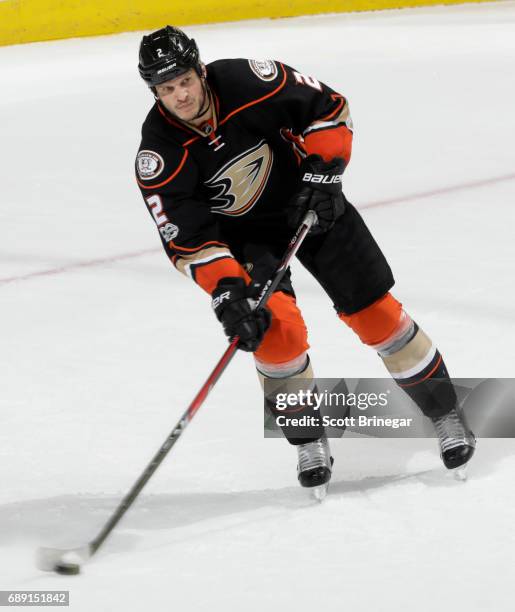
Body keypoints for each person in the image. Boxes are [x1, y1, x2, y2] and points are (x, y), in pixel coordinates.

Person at [135, 25, 475, 496]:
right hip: (247, 242)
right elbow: (188, 240)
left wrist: (324, 171)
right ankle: (309, 439)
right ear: (154, 92)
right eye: (167, 89)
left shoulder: (247, 81)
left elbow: (329, 108)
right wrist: (227, 292)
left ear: (200, 70)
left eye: (185, 81)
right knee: (276, 338)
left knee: (377, 316)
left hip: (309, 203)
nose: (181, 95)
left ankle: (446, 414)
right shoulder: (159, 153)